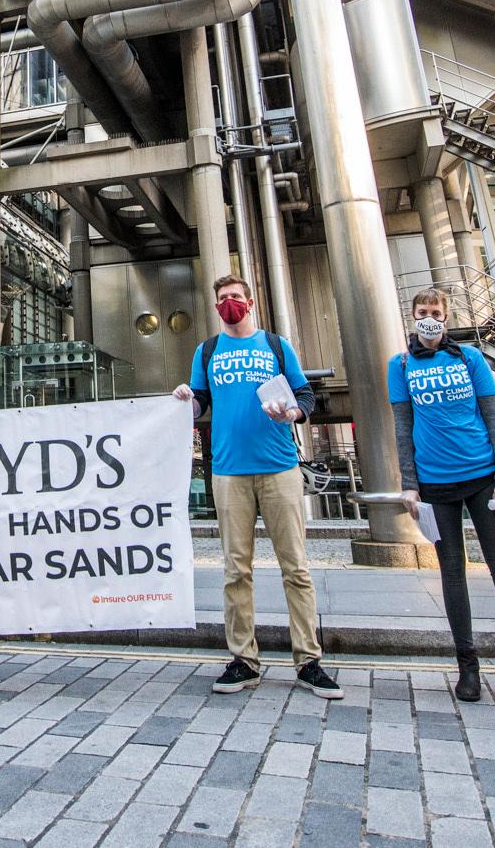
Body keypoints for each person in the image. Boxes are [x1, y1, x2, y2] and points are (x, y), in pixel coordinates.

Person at [174, 275, 341, 700]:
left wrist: (293, 416)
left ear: (249, 302)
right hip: (228, 472)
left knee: (296, 568)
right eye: (222, 300)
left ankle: (309, 660)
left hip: (279, 468)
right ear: (216, 307)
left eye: (235, 297)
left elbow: (305, 396)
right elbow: (199, 402)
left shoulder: (275, 345)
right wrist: (183, 399)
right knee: (235, 570)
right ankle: (244, 660)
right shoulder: (206, 351)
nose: (229, 304)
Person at [389, 287, 495, 709]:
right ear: (412, 316)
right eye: (422, 312)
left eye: (436, 312)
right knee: (452, 574)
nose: (429, 318)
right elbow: (403, 428)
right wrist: (410, 483)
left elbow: (494, 417)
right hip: (436, 485)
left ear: (446, 317)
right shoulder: (400, 364)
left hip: (481, 477)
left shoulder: (470, 358)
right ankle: (468, 667)